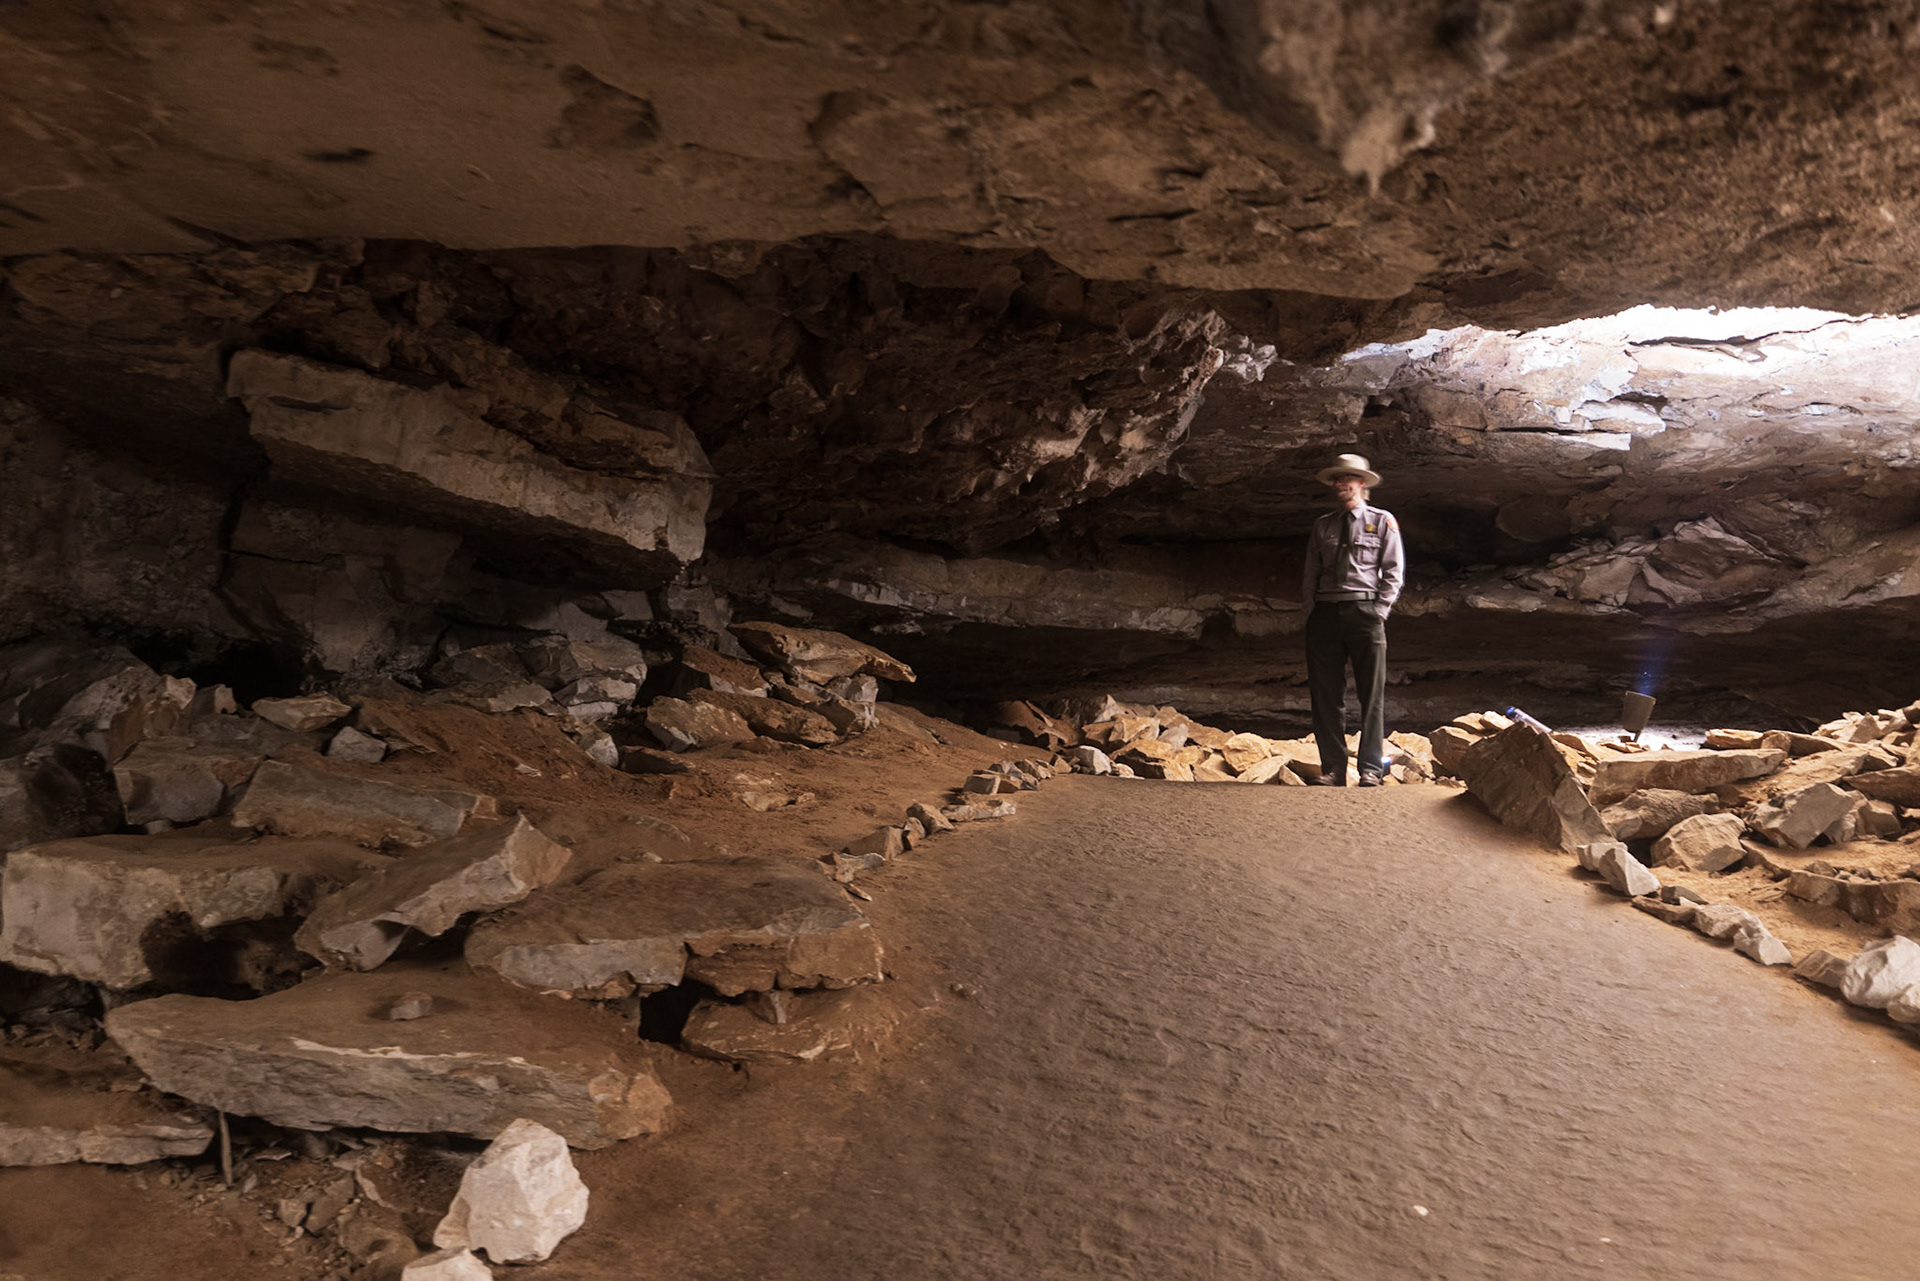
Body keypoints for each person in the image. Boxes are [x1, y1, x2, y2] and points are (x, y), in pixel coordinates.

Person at [1300, 454, 1404, 787]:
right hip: (1326, 614)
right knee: (1325, 693)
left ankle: (1371, 769)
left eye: (1348, 478)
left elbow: (1393, 570)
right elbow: (1311, 574)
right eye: (1337, 479)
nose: (1341, 484)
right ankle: (1333, 769)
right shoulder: (1323, 525)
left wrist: (1379, 610)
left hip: (1364, 613)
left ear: (1362, 483)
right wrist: (1311, 612)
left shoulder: (1382, 520)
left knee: (1371, 694)